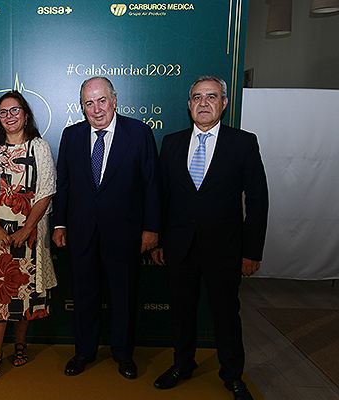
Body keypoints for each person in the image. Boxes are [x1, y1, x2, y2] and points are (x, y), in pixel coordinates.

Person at [152, 75, 268, 400]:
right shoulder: (171, 143)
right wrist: (160, 240)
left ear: (224, 103)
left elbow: (258, 200)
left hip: (226, 250)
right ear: (189, 105)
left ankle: (232, 375)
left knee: (226, 316)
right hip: (179, 248)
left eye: (211, 97)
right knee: (181, 314)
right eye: (198, 97)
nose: (204, 103)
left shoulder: (243, 143)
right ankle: (182, 365)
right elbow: (163, 196)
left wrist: (252, 251)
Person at [52, 76, 161, 379]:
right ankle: (84, 351)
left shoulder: (139, 133)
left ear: (114, 100)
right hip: (82, 232)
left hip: (125, 233)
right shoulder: (71, 135)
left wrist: (151, 228)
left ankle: (123, 354)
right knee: (84, 295)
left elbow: (152, 185)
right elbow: (64, 183)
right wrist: (59, 224)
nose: (97, 108)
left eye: (102, 100)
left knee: (123, 298)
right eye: (89, 103)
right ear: (82, 106)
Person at [0, 90, 57, 380]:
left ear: (26, 114)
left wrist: (27, 229)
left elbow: (46, 191)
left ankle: (21, 345)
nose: (9, 116)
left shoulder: (39, 147)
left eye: (14, 110)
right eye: (3, 112)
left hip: (28, 235)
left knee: (22, 294)